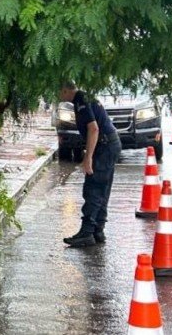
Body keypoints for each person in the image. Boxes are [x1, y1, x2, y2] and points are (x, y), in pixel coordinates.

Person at [59, 81, 121, 248]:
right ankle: (97, 230)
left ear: (65, 90)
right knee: (103, 188)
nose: (57, 96)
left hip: (105, 145)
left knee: (93, 188)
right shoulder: (84, 96)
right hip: (111, 143)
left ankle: (87, 232)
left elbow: (93, 129)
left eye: (58, 92)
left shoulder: (81, 100)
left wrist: (88, 158)